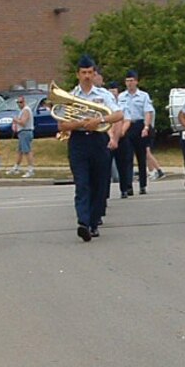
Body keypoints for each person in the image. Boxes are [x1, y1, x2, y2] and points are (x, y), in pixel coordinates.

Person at [59, 56, 123, 241]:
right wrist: (79, 123)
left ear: (94, 74)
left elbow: (118, 114)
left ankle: (94, 222)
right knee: (82, 184)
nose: (87, 76)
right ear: (78, 74)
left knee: (99, 184)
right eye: (83, 73)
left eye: (90, 73)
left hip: (98, 140)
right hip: (78, 141)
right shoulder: (70, 96)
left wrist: (99, 120)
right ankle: (83, 222)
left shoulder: (103, 95)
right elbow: (62, 125)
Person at [116, 70, 155, 198]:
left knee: (141, 156)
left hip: (139, 125)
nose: (129, 83)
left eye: (132, 81)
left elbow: (147, 112)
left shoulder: (143, 96)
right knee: (127, 157)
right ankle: (128, 186)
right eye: (127, 81)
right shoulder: (121, 97)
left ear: (136, 81)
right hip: (126, 126)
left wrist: (146, 127)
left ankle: (143, 185)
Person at [11, 95, 35, 177]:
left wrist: (16, 120)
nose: (19, 104)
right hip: (21, 133)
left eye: (21, 102)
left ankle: (31, 169)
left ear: (24, 102)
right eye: (18, 102)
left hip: (25, 132)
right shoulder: (22, 111)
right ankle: (16, 167)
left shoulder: (26, 110)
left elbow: (23, 122)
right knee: (19, 151)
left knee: (27, 151)